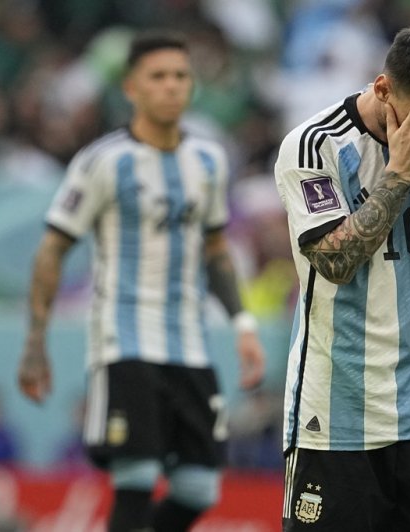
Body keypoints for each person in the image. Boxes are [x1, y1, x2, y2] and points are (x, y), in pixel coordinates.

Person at [17, 32, 265, 532]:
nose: (171, 87)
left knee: (199, 489)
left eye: (180, 76)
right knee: (137, 475)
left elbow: (216, 250)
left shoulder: (209, 162)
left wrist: (242, 324)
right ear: (131, 87)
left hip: (191, 344)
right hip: (124, 340)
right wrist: (36, 340)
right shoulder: (102, 161)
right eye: (158, 77)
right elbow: (53, 249)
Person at [274, 24, 410, 531]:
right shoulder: (314, 146)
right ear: (382, 89)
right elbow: (335, 263)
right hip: (333, 424)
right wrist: (400, 173)